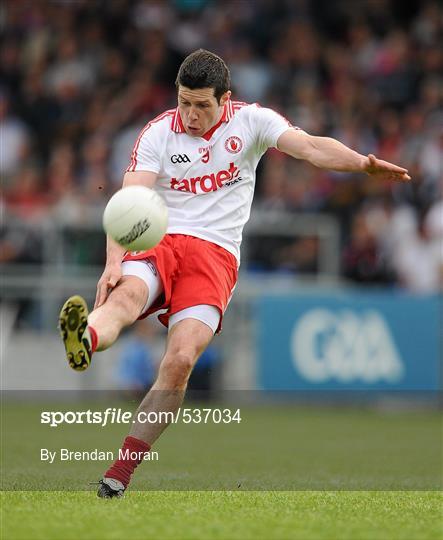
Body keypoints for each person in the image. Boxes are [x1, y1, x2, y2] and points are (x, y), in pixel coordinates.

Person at [58, 49, 411, 498]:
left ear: (225, 99)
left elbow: (311, 147)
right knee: (124, 298)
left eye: (202, 105)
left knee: (180, 361)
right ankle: (84, 339)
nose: (190, 114)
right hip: (159, 241)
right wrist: (113, 261)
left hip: (215, 256)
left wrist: (362, 163)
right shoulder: (157, 134)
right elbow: (128, 203)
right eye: (184, 102)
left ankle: (119, 472)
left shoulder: (252, 122)